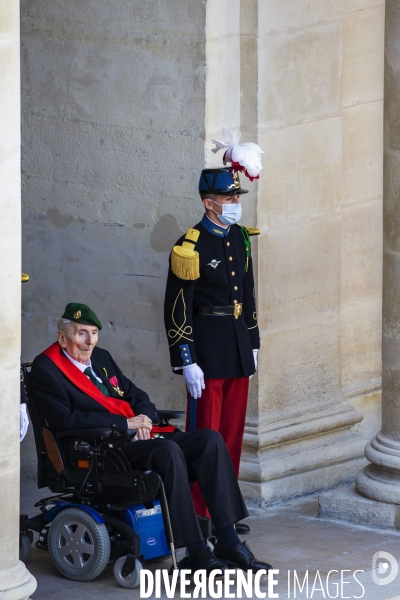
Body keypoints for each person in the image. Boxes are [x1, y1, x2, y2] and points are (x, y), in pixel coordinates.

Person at [30, 302, 271, 575]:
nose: (89, 342)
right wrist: (125, 423)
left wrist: (143, 418)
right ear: (63, 338)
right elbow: (65, 420)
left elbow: (136, 395)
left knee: (210, 442)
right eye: (81, 334)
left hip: (136, 437)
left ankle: (228, 541)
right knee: (167, 452)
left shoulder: (101, 358)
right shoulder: (47, 368)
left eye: (94, 333)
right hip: (99, 449)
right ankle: (195, 552)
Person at [164, 162, 261, 525]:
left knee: (232, 434)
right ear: (209, 203)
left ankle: (226, 512)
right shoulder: (189, 246)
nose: (235, 202)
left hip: (237, 348)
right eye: (227, 197)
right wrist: (186, 359)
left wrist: (253, 341)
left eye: (236, 195)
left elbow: (247, 294)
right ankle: (201, 513)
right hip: (206, 353)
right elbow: (177, 307)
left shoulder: (239, 237)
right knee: (207, 436)